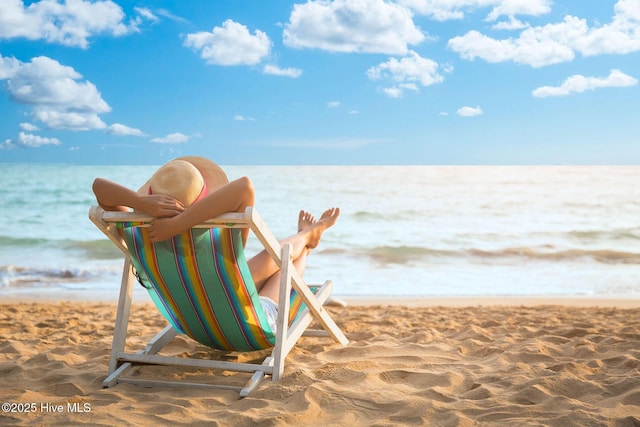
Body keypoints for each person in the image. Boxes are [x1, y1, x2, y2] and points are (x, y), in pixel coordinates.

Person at [92, 156, 340, 331]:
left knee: (272, 257)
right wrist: (179, 224)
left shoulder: (139, 238)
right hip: (245, 321)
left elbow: (99, 187)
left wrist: (141, 203)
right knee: (285, 259)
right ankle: (308, 238)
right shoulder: (216, 246)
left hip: (194, 321)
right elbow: (245, 186)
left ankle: (308, 234)